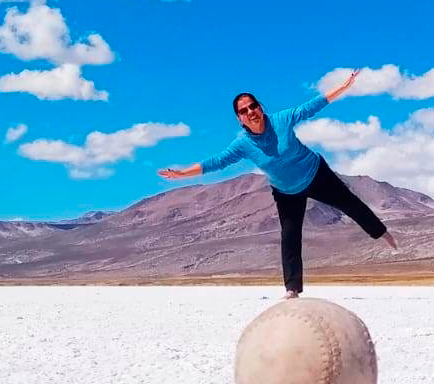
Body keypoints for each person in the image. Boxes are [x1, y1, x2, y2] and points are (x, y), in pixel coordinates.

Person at [159, 70, 397, 298]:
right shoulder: (242, 144)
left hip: (315, 173)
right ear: (239, 118)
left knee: (350, 203)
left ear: (260, 107)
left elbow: (311, 107)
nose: (251, 111)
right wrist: (181, 174)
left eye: (254, 105)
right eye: (244, 110)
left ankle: (383, 233)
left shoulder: (281, 120)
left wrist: (343, 87)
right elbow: (216, 162)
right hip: (286, 192)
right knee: (290, 236)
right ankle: (292, 289)